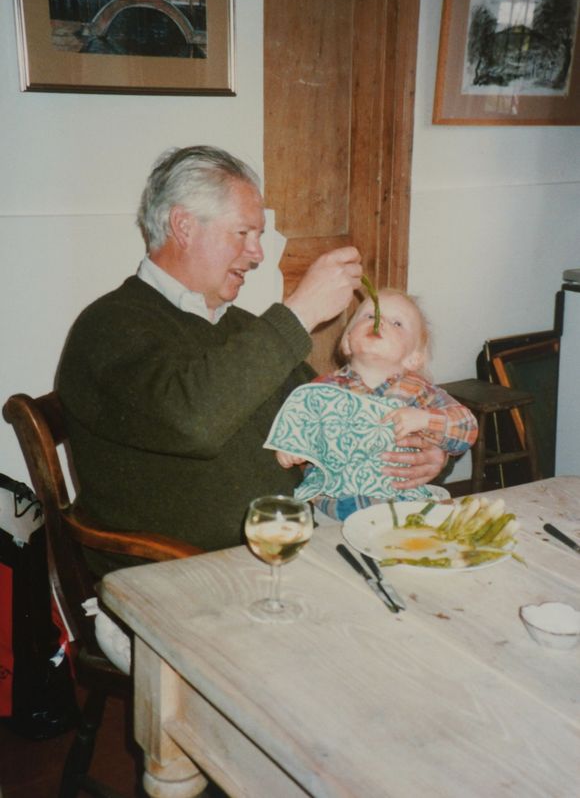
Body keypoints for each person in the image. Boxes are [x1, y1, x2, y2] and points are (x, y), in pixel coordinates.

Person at [57, 146, 447, 576]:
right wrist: (298, 312)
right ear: (184, 226)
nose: (258, 254)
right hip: (177, 578)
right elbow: (193, 423)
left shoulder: (238, 327)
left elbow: (335, 416)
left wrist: (419, 455)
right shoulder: (109, 327)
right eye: (243, 234)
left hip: (294, 551)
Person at [267, 288, 478, 519]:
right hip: (331, 507)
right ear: (347, 342)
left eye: (397, 323)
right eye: (369, 316)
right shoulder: (322, 389)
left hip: (402, 507)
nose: (380, 321)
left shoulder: (421, 393)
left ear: (414, 358)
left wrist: (425, 419)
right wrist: (291, 448)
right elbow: (298, 424)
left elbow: (467, 428)